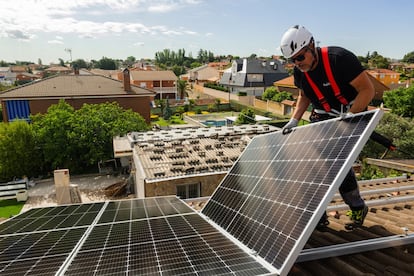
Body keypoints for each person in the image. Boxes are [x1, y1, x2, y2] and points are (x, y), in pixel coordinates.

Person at [280, 25, 375, 230]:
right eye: (293, 60)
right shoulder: (301, 71)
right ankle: (318, 215)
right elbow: (304, 96)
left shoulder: (339, 58)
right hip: (322, 116)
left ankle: (357, 207)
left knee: (336, 165)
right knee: (311, 165)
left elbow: (368, 90)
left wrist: (350, 116)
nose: (298, 63)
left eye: (300, 57)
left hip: (351, 113)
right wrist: (295, 119)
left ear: (311, 46)